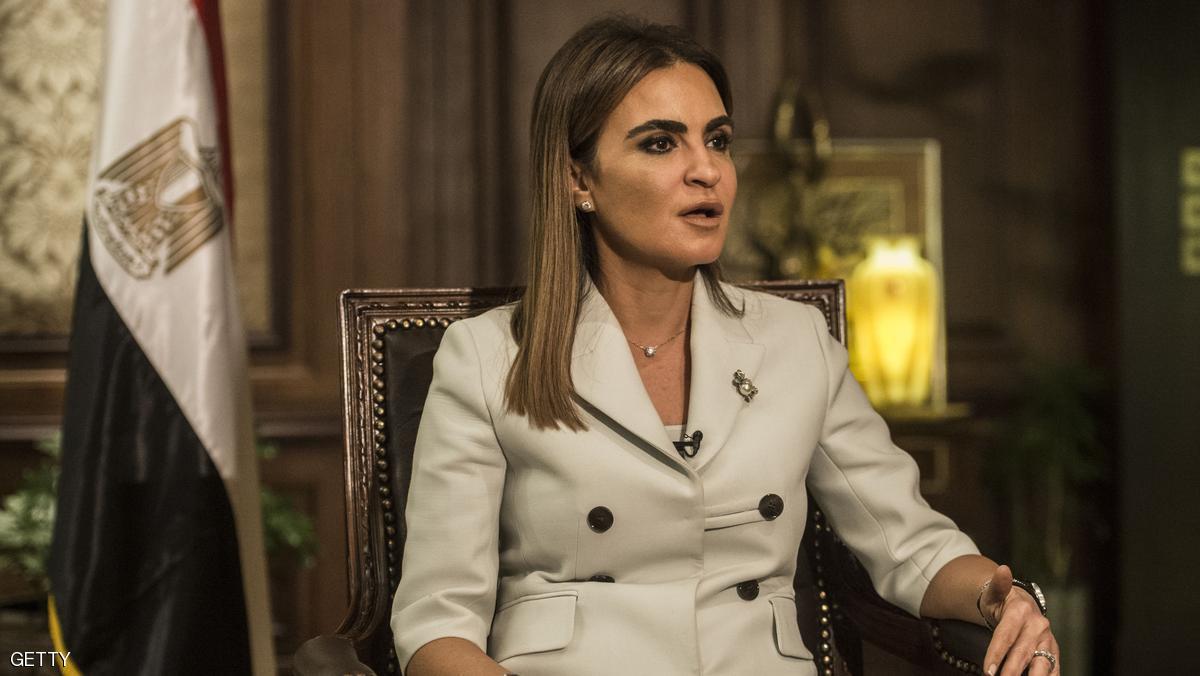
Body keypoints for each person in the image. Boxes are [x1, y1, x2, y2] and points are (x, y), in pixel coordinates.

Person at [391, 16, 1059, 676]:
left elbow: (910, 543)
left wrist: (1001, 599)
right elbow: (436, 626)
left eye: (717, 140)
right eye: (661, 144)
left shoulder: (796, 342)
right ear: (578, 180)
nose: (706, 170)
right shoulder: (488, 357)